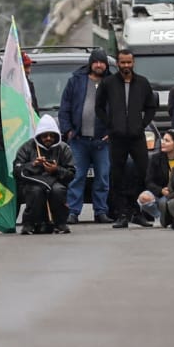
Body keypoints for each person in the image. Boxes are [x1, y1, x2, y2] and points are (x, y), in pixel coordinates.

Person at [96, 48, 158, 228]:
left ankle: (140, 212)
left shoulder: (142, 83)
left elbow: (151, 106)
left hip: (137, 136)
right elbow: (98, 107)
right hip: (117, 137)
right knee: (117, 175)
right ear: (117, 63)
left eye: (128, 62)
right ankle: (122, 214)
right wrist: (110, 124)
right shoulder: (108, 83)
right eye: (122, 62)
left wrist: (142, 123)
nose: (126, 66)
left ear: (133, 62)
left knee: (143, 173)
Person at [58, 49, 113, 224]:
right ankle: (73, 212)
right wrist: (68, 130)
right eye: (96, 61)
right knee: (76, 177)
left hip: (102, 141)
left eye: (102, 62)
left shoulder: (112, 83)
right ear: (91, 63)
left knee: (103, 177)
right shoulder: (76, 80)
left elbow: (120, 110)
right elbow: (65, 107)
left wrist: (112, 132)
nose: (99, 65)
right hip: (78, 140)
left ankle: (101, 211)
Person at [14, 114, 75, 235]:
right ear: (39, 135)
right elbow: (17, 170)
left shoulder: (63, 148)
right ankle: (29, 224)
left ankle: (60, 223)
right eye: (45, 136)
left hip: (55, 181)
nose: (48, 138)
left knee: (58, 190)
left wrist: (56, 169)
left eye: (52, 136)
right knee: (36, 191)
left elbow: (71, 173)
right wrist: (33, 165)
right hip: (34, 182)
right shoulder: (27, 147)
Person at [138, 128, 174, 225]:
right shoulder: (156, 158)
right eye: (163, 140)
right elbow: (149, 181)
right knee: (143, 197)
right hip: (162, 195)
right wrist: (161, 190)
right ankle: (159, 216)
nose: (163, 142)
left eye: (167, 141)